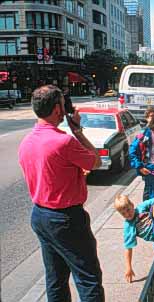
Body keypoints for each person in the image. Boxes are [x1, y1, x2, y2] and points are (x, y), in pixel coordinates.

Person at [18, 85, 105, 301]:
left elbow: (49, 176)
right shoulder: (63, 141)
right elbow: (95, 160)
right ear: (58, 109)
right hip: (66, 219)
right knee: (88, 279)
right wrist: (76, 129)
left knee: (55, 278)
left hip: (40, 216)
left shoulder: (27, 142)